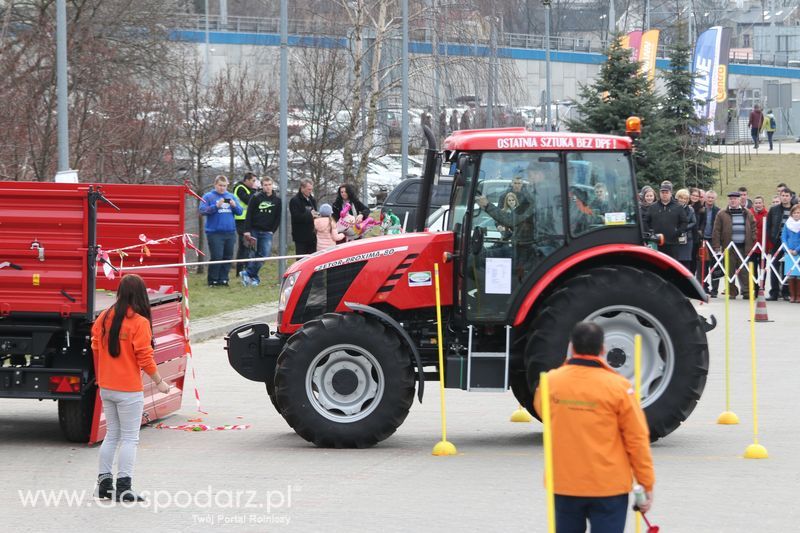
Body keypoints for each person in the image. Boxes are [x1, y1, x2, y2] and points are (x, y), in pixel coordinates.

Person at [533, 322, 654, 533]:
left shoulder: (550, 382)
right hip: (609, 487)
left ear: (571, 347)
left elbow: (544, 412)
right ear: (603, 350)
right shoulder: (619, 387)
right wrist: (646, 483)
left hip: (565, 484)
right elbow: (637, 438)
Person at [91, 274, 170, 503]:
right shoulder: (139, 322)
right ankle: (124, 487)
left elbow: (95, 346)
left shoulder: (105, 316)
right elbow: (145, 358)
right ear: (141, 294)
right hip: (128, 390)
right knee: (129, 438)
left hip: (107, 386)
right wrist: (159, 382)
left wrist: (100, 377)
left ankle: (104, 484)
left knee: (112, 435)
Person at [712, 191, 757, 299]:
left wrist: (753, 238)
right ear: (729, 200)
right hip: (729, 247)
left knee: (744, 271)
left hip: (743, 247)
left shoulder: (747, 213)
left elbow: (753, 226)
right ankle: (731, 291)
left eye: (735, 199)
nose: (733, 201)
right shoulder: (722, 213)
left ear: (739, 200)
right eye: (731, 199)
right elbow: (716, 230)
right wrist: (717, 246)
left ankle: (746, 292)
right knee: (729, 270)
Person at [199, 175, 242, 287]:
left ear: (227, 185)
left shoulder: (231, 196)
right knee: (217, 256)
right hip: (214, 232)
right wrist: (216, 206)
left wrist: (234, 205)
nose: (222, 188)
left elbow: (240, 212)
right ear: (215, 185)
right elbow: (202, 211)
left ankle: (224, 279)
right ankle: (213, 280)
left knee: (227, 257)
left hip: (230, 232)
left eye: (224, 186)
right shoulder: (208, 196)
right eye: (220, 185)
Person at [241, 177, 282, 287]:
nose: (267, 187)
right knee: (253, 254)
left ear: (272, 185)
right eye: (265, 185)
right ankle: (253, 278)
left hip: (267, 232)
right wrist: (247, 230)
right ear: (262, 186)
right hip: (254, 230)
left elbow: (278, 218)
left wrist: (272, 230)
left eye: (269, 184)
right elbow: (248, 214)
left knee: (264, 255)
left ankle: (248, 273)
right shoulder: (256, 198)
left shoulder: (277, 200)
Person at [642, 181, 688, 261]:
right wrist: (650, 233)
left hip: (673, 243)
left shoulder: (678, 207)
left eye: (666, 192)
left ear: (670, 193)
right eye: (662, 192)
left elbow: (684, 222)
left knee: (672, 266)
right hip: (657, 244)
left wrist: (678, 232)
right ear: (659, 193)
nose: (664, 194)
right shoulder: (653, 207)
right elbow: (645, 221)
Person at [766, 188, 795, 300]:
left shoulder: (795, 209)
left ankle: (786, 292)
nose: (785, 197)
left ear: (790, 197)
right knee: (774, 267)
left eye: (787, 195)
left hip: (790, 243)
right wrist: (772, 239)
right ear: (780, 196)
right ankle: (774, 292)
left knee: (788, 268)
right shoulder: (774, 210)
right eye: (783, 195)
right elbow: (768, 226)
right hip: (777, 242)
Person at [232, 172, 258, 277]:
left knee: (249, 246)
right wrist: (255, 190)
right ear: (246, 180)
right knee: (244, 246)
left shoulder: (248, 189)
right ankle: (239, 270)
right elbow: (249, 200)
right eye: (253, 181)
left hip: (249, 220)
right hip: (241, 220)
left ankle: (247, 269)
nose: (254, 183)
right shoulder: (239, 188)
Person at [289, 178, 318, 255]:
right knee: (301, 259)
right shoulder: (295, 200)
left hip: (312, 236)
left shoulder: (312, 200)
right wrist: (309, 214)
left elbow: (315, 212)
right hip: (300, 236)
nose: (310, 191)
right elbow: (296, 217)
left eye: (311, 189)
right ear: (302, 188)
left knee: (312, 259)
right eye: (308, 189)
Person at [699, 190, 720, 296]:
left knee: (715, 265)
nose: (710, 199)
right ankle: (703, 288)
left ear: (715, 199)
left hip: (714, 241)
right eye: (708, 197)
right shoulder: (700, 209)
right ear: (705, 198)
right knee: (703, 265)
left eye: (712, 198)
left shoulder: (718, 211)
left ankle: (715, 290)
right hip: (702, 240)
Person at [675, 189, 696, 271]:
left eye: (685, 198)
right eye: (681, 198)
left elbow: (694, 222)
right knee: (676, 262)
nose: (683, 200)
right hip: (675, 237)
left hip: (687, 238)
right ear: (677, 198)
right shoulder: (673, 208)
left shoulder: (690, 209)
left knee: (686, 262)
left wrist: (684, 227)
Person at [782, 204, 800, 303]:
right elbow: (783, 237)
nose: (797, 214)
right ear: (791, 214)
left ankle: (798, 296)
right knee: (791, 275)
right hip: (789, 253)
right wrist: (787, 249)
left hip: (798, 253)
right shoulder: (787, 224)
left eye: (798, 213)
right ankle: (792, 296)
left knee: (799, 275)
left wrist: (797, 250)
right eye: (795, 213)